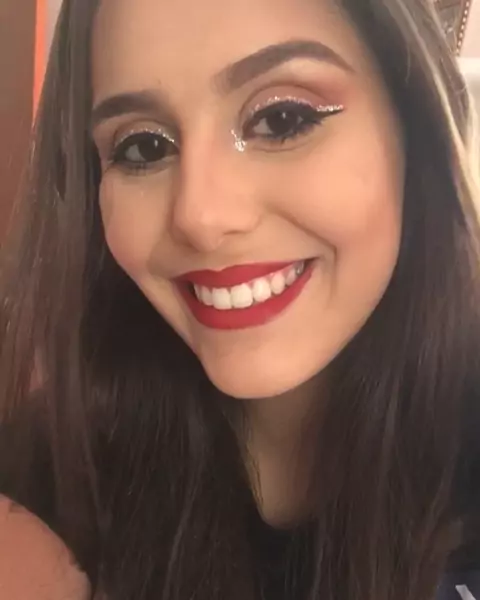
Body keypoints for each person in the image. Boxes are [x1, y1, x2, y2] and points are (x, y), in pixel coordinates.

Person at [0, 0, 479, 598]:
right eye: (143, 148)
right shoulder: (41, 501)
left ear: (414, 124)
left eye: (281, 118)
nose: (201, 217)